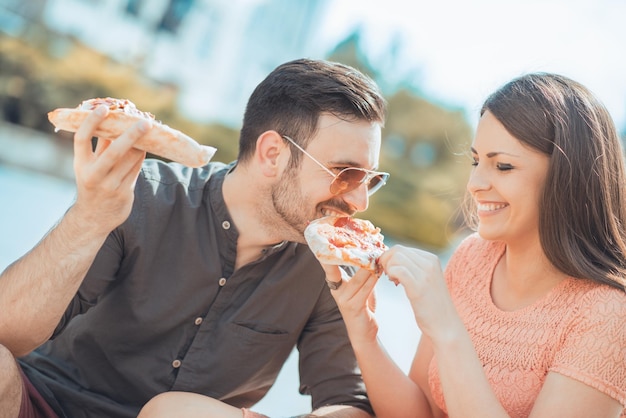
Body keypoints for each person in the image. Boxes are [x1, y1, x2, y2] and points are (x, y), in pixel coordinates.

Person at [0, 58, 388, 418]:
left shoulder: (331, 261)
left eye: (370, 179)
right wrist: (90, 217)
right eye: (346, 173)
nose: (360, 200)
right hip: (47, 403)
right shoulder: (144, 195)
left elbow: (347, 402)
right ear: (272, 154)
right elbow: (7, 332)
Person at [323, 73, 626, 417]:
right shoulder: (472, 257)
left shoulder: (609, 315)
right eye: (476, 161)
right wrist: (364, 331)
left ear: (568, 177)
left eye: (503, 166)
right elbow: (421, 414)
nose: (475, 183)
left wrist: (446, 326)